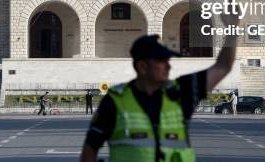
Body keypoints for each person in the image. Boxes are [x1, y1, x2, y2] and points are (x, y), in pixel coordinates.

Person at [79, 23, 237, 162]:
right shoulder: (115, 101)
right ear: (142, 67)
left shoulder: (181, 92)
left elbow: (223, 67)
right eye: (161, 61)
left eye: (168, 60)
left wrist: (232, 26)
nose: (168, 66)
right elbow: (89, 149)